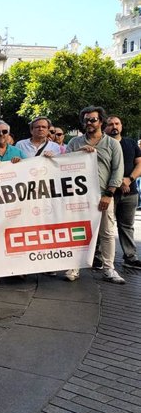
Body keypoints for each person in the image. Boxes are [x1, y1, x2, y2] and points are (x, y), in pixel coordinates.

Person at [65, 106, 125, 284]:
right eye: (85, 120)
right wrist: (78, 154)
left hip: (103, 195)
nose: (89, 123)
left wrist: (109, 194)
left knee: (107, 232)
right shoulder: (74, 143)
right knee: (78, 231)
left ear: (101, 121)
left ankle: (109, 268)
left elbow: (117, 170)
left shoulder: (113, 144)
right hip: (79, 196)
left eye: (92, 119)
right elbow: (63, 165)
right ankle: (74, 266)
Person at [98, 116, 141, 269]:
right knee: (103, 226)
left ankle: (130, 256)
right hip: (107, 193)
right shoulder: (100, 144)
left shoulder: (130, 143)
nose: (114, 126)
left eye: (117, 123)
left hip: (130, 192)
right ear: (104, 127)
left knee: (127, 225)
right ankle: (98, 257)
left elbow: (139, 164)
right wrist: (116, 183)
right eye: (110, 124)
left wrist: (129, 179)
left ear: (121, 126)